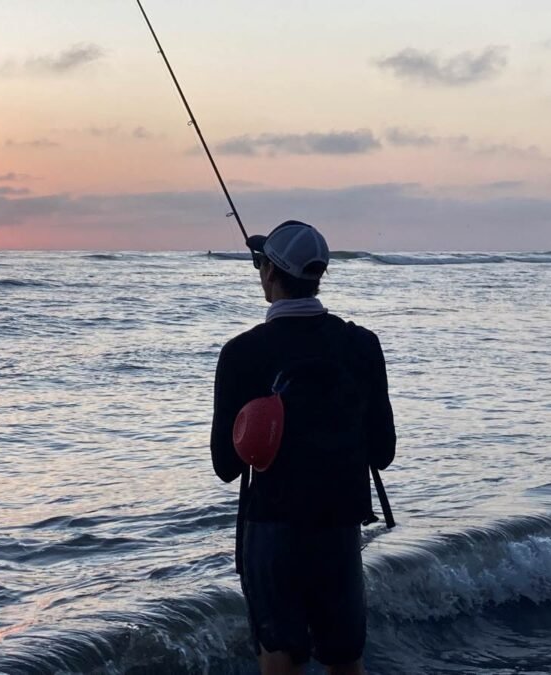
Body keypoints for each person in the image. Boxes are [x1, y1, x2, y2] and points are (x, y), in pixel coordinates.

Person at [210, 220, 396, 675]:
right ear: (318, 275)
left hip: (272, 529)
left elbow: (225, 466)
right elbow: (384, 452)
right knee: (345, 660)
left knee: (280, 660)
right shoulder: (361, 345)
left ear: (270, 274)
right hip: (338, 525)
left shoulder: (242, 353)